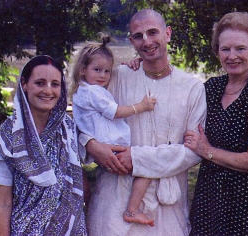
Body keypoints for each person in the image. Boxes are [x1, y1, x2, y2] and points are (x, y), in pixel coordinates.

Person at [80, 9, 207, 236]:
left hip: (166, 210)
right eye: (138, 36)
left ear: (167, 34)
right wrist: (90, 144)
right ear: (132, 41)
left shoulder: (192, 87)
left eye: (152, 32)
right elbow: (83, 118)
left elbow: (193, 151)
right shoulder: (115, 76)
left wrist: (138, 158)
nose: (146, 41)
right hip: (113, 206)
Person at [184, 12, 248, 236]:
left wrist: (208, 152)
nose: (232, 56)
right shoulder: (212, 88)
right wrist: (141, 67)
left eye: (240, 48)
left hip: (247, 204)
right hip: (209, 199)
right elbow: (175, 97)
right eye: (225, 49)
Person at [0, 55, 87, 235]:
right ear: (24, 84)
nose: (48, 91)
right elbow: (2, 202)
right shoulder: (7, 137)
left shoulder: (69, 129)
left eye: (55, 84)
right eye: (40, 83)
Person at [71, 36, 158, 226]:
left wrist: (130, 65)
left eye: (107, 71)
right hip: (112, 149)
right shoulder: (93, 92)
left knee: (140, 170)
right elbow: (115, 112)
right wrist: (141, 106)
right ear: (83, 69)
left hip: (105, 148)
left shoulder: (83, 91)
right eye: (97, 70)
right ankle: (132, 211)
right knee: (148, 168)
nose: (103, 75)